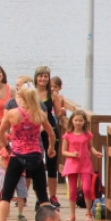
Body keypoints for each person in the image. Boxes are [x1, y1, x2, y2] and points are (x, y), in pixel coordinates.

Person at [0, 83, 56, 221]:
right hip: (35, 155)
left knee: (6, 195)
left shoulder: (13, 114)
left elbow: (1, 132)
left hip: (17, 155)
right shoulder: (39, 114)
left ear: (22, 98)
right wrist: (50, 149)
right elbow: (51, 133)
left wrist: (8, 147)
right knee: (43, 196)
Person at [61, 109, 102, 221]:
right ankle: (72, 215)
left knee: (87, 189)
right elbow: (63, 151)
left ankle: (89, 213)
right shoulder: (68, 135)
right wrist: (72, 154)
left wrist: (95, 153)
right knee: (73, 190)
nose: (78, 123)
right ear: (72, 121)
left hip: (85, 164)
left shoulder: (87, 135)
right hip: (72, 164)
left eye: (80, 120)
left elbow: (90, 147)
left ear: (84, 122)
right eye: (76, 120)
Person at [34, 66, 64, 206]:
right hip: (34, 131)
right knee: (37, 164)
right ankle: (40, 196)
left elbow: (58, 114)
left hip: (51, 130)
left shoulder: (53, 95)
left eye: (46, 76)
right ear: (36, 77)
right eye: (40, 76)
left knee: (52, 164)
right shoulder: (31, 93)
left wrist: (62, 111)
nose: (43, 79)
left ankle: (53, 196)